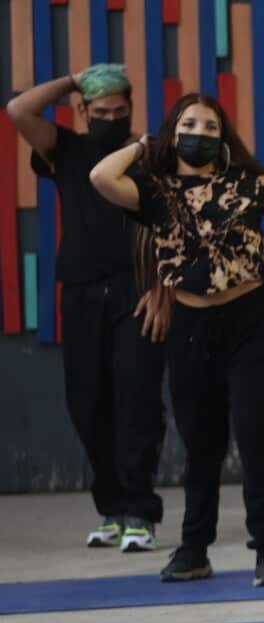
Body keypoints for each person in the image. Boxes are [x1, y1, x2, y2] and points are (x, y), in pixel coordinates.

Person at [90, 93, 264, 586]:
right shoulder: (155, 189)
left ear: (223, 136)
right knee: (200, 443)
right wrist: (147, 144)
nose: (200, 132)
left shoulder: (247, 183)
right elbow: (101, 177)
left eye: (210, 126)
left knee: (256, 436)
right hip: (190, 328)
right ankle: (194, 549)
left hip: (251, 322)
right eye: (189, 124)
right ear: (173, 130)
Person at [6, 64, 167, 553]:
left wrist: (162, 290)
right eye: (101, 112)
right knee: (87, 402)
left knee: (136, 400)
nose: (111, 119)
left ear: (131, 110)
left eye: (119, 111)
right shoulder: (66, 150)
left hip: (136, 289)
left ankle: (140, 511)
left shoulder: (149, 154)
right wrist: (76, 79)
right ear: (83, 111)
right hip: (78, 292)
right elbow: (18, 109)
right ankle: (113, 509)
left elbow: (171, 226)